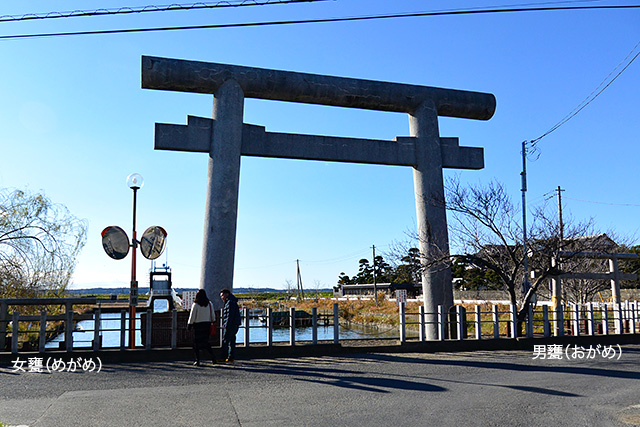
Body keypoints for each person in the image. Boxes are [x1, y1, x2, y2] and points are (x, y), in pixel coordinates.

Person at [187, 289, 216, 366]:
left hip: (198, 325)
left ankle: (198, 360)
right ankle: (213, 357)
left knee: (196, 344)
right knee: (206, 342)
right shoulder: (210, 304)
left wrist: (189, 325)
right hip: (207, 324)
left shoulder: (195, 304)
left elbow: (192, 316)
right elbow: (213, 315)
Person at [219, 288, 241, 363]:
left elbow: (229, 315)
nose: (222, 297)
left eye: (222, 295)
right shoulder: (233, 301)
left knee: (225, 341)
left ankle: (223, 357)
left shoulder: (230, 302)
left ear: (226, 294)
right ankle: (231, 357)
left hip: (230, 325)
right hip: (235, 324)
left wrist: (226, 325)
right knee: (232, 341)